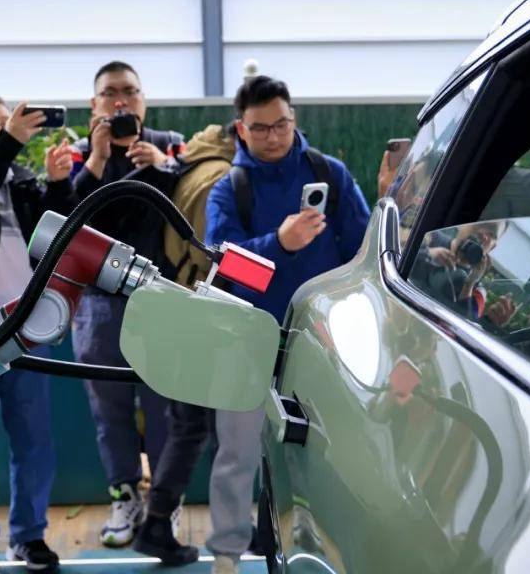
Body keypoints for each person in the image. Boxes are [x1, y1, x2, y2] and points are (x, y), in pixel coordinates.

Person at [202, 74, 371, 573]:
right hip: (246, 338)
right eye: (260, 128)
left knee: (329, 453)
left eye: (281, 124)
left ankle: (330, 551)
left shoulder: (330, 174)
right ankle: (227, 555)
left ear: (294, 119)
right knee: (236, 454)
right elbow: (225, 265)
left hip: (323, 340)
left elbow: (362, 248)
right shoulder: (228, 190)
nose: (273, 136)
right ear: (241, 128)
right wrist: (280, 243)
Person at [68, 61, 185, 547]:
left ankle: (164, 505)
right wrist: (96, 159)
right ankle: (124, 498)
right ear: (94, 104)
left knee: (165, 411)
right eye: (110, 93)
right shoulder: (79, 154)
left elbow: (190, 211)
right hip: (98, 305)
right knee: (109, 412)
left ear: (144, 99)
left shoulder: (170, 145)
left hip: (161, 300)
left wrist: (163, 167)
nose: (121, 101)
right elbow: (67, 222)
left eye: (130, 92)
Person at [0, 93, 75, 570]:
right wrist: (9, 140)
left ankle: (29, 535)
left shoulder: (24, 182)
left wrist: (58, 184)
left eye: (1, 123)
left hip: (25, 334)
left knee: (34, 443)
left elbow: (58, 239)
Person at [133, 123, 238, 566]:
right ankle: (232, 531)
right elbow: (212, 254)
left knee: (190, 425)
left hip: (180, 308)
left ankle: (158, 523)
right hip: (207, 314)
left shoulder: (191, 167)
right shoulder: (220, 178)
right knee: (221, 429)